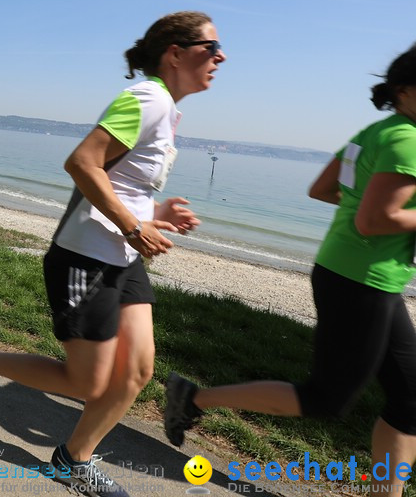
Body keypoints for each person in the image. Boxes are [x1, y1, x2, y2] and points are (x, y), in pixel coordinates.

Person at [0, 11, 225, 497]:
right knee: (89, 383)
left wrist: (155, 212)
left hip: (121, 253)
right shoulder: (148, 98)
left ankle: (73, 459)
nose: (219, 57)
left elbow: (115, 182)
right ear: (175, 53)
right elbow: (81, 162)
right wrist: (136, 225)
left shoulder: (167, 109)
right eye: (210, 48)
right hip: (85, 258)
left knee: (137, 371)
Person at [165, 44, 416, 495]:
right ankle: (193, 398)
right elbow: (374, 220)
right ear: (405, 90)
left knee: (411, 399)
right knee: (326, 397)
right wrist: (374, 213)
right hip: (363, 281)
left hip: (358, 272)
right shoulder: (408, 139)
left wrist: (368, 210)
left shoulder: (378, 131)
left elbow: (322, 189)